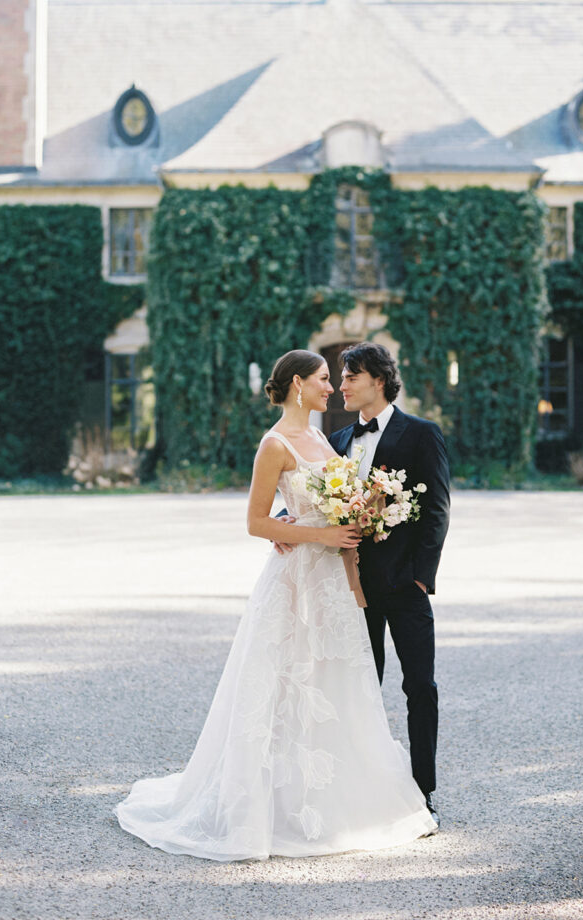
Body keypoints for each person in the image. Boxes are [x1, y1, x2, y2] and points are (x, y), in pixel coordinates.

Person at [115, 349, 437, 861]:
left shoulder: (326, 440)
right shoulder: (275, 443)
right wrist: (310, 531)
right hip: (295, 583)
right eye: (324, 379)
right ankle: (278, 804)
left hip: (335, 581)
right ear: (297, 386)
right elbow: (255, 522)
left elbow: (316, 505)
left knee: (338, 680)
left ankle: (345, 794)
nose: (332, 387)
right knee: (287, 681)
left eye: (337, 379)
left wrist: (357, 523)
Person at [329, 342, 450, 826]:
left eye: (350, 377)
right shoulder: (338, 441)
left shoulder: (421, 434)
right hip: (351, 589)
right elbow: (312, 499)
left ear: (378, 379)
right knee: (359, 688)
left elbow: (437, 510)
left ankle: (422, 790)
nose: (342, 386)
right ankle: (363, 789)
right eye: (340, 378)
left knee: (420, 686)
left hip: (405, 586)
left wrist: (422, 578)